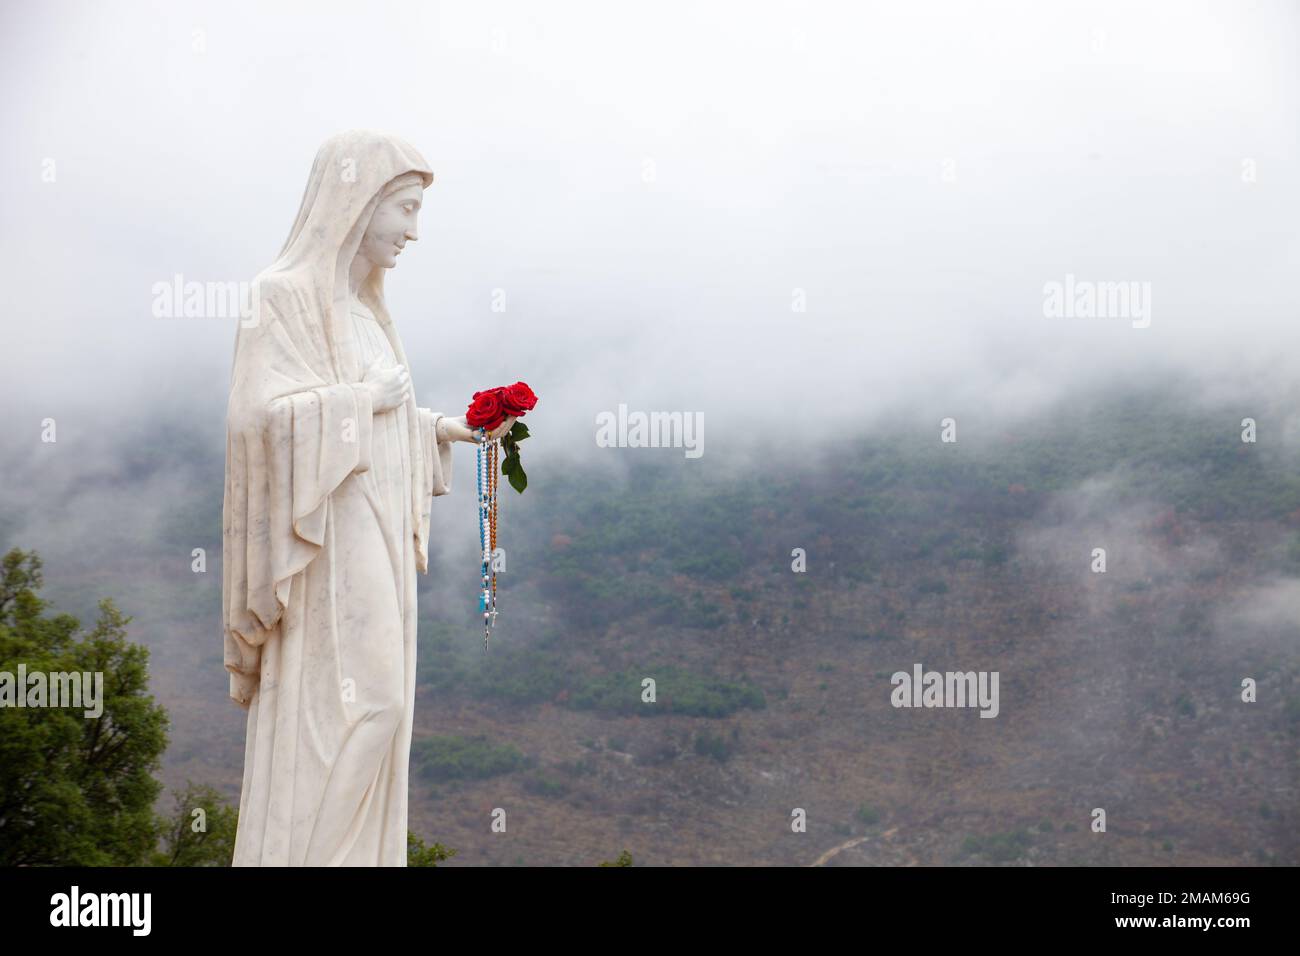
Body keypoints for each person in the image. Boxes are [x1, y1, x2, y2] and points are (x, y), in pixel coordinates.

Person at [222, 130, 513, 866]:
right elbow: (256, 419)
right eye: (405, 210)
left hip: (375, 521)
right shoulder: (279, 296)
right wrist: (361, 397)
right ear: (356, 203)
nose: (415, 232)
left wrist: (445, 430)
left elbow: (381, 424)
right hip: (324, 538)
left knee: (386, 705)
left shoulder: (370, 311)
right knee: (373, 701)